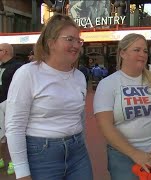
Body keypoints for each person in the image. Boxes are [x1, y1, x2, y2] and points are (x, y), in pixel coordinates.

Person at [5, 14, 93, 180]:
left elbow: (79, 117)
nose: (76, 45)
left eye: (78, 41)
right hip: (42, 155)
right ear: (51, 42)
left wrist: (81, 143)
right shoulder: (27, 74)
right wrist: (22, 172)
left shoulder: (79, 77)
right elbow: (15, 125)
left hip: (78, 153)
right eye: (70, 39)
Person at [93, 33, 151, 180]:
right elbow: (105, 125)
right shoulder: (108, 84)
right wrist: (134, 153)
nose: (142, 54)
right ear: (122, 53)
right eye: (137, 50)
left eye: (145, 51)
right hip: (124, 158)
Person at [0, 43, 25, 175]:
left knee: (11, 134)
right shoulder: (1, 66)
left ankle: (13, 162)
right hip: (0, 104)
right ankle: (1, 159)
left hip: (11, 104)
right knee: (0, 136)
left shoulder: (18, 67)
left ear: (5, 51)